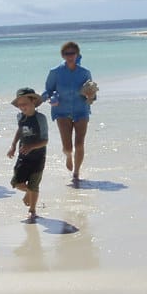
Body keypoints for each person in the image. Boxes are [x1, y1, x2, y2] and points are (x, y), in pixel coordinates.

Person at [40, 40, 96, 186]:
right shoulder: (55, 72)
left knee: (79, 143)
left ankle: (76, 172)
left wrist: (91, 95)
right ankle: (68, 156)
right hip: (61, 111)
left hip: (81, 110)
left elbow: (92, 93)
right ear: (62, 55)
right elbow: (48, 90)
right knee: (67, 147)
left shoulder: (85, 72)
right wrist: (41, 100)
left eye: (72, 53)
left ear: (77, 54)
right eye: (66, 53)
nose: (70, 56)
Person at [7, 87, 48, 224]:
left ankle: (32, 210)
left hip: (38, 157)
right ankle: (29, 192)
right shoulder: (20, 117)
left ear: (33, 102)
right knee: (16, 183)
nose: (22, 107)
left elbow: (45, 141)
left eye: (25, 103)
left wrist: (31, 146)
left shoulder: (40, 118)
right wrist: (13, 145)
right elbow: (20, 130)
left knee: (34, 185)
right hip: (23, 157)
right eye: (19, 105)